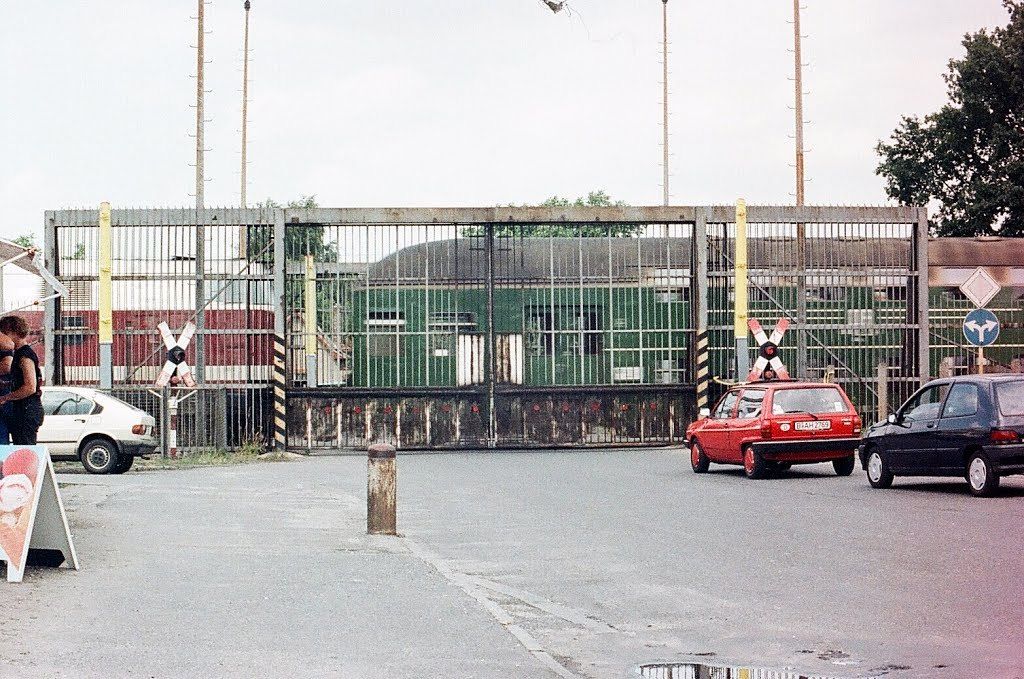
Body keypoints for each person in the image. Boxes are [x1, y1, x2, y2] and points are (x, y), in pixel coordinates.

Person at [0, 316, 44, 445]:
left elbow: (30, 387)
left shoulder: (24, 356)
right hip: (24, 409)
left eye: (3, 333)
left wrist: (7, 397)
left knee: (24, 448)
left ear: (11, 332)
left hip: (27, 410)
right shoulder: (21, 353)